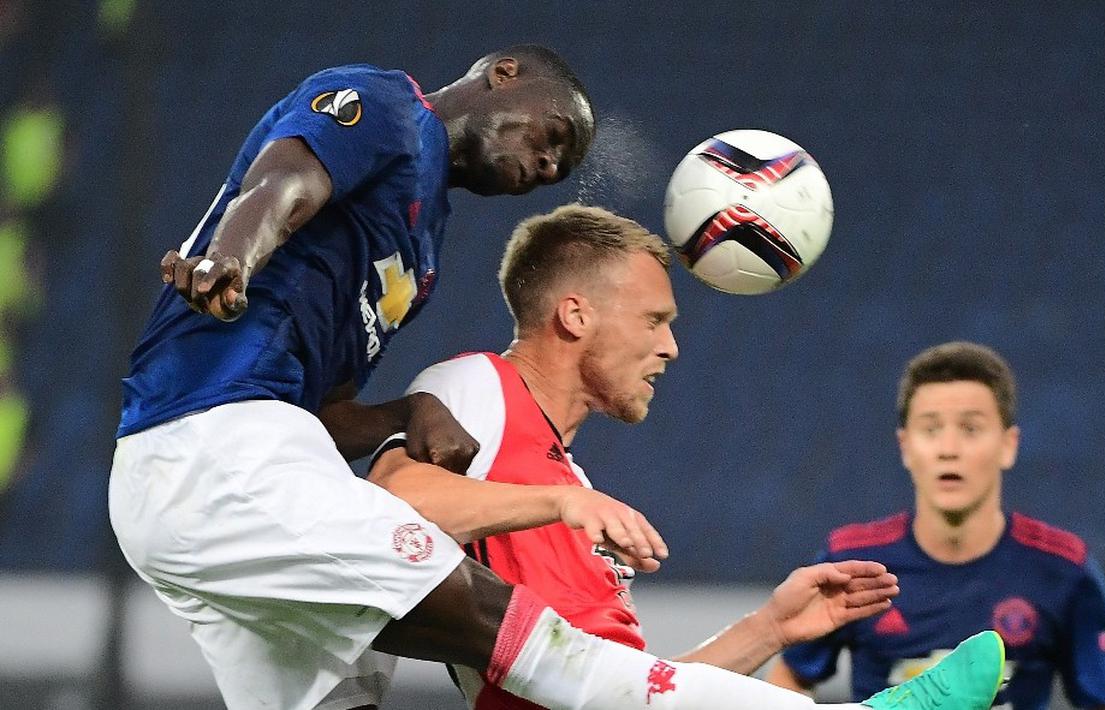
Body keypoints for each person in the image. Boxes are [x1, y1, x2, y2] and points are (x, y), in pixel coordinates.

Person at [111, 44, 701, 710]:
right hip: (212, 441)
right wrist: (234, 256)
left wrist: (405, 413)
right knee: (513, 629)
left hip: (229, 473)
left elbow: (327, 417)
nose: (544, 165)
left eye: (557, 168)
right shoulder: (388, 106)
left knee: (354, 698)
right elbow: (285, 181)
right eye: (550, 135)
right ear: (502, 73)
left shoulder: (418, 261)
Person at [367, 204, 1010, 710]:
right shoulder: (478, 384)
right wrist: (560, 502)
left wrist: (771, 629)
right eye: (654, 320)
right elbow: (390, 504)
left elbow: (634, 690)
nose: (670, 347)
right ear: (575, 315)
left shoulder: (568, 476)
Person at [765, 342, 1105, 709]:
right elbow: (790, 679)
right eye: (931, 430)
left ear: (1008, 445)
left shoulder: (1062, 569)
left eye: (970, 429)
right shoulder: (852, 561)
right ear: (906, 447)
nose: (948, 448)